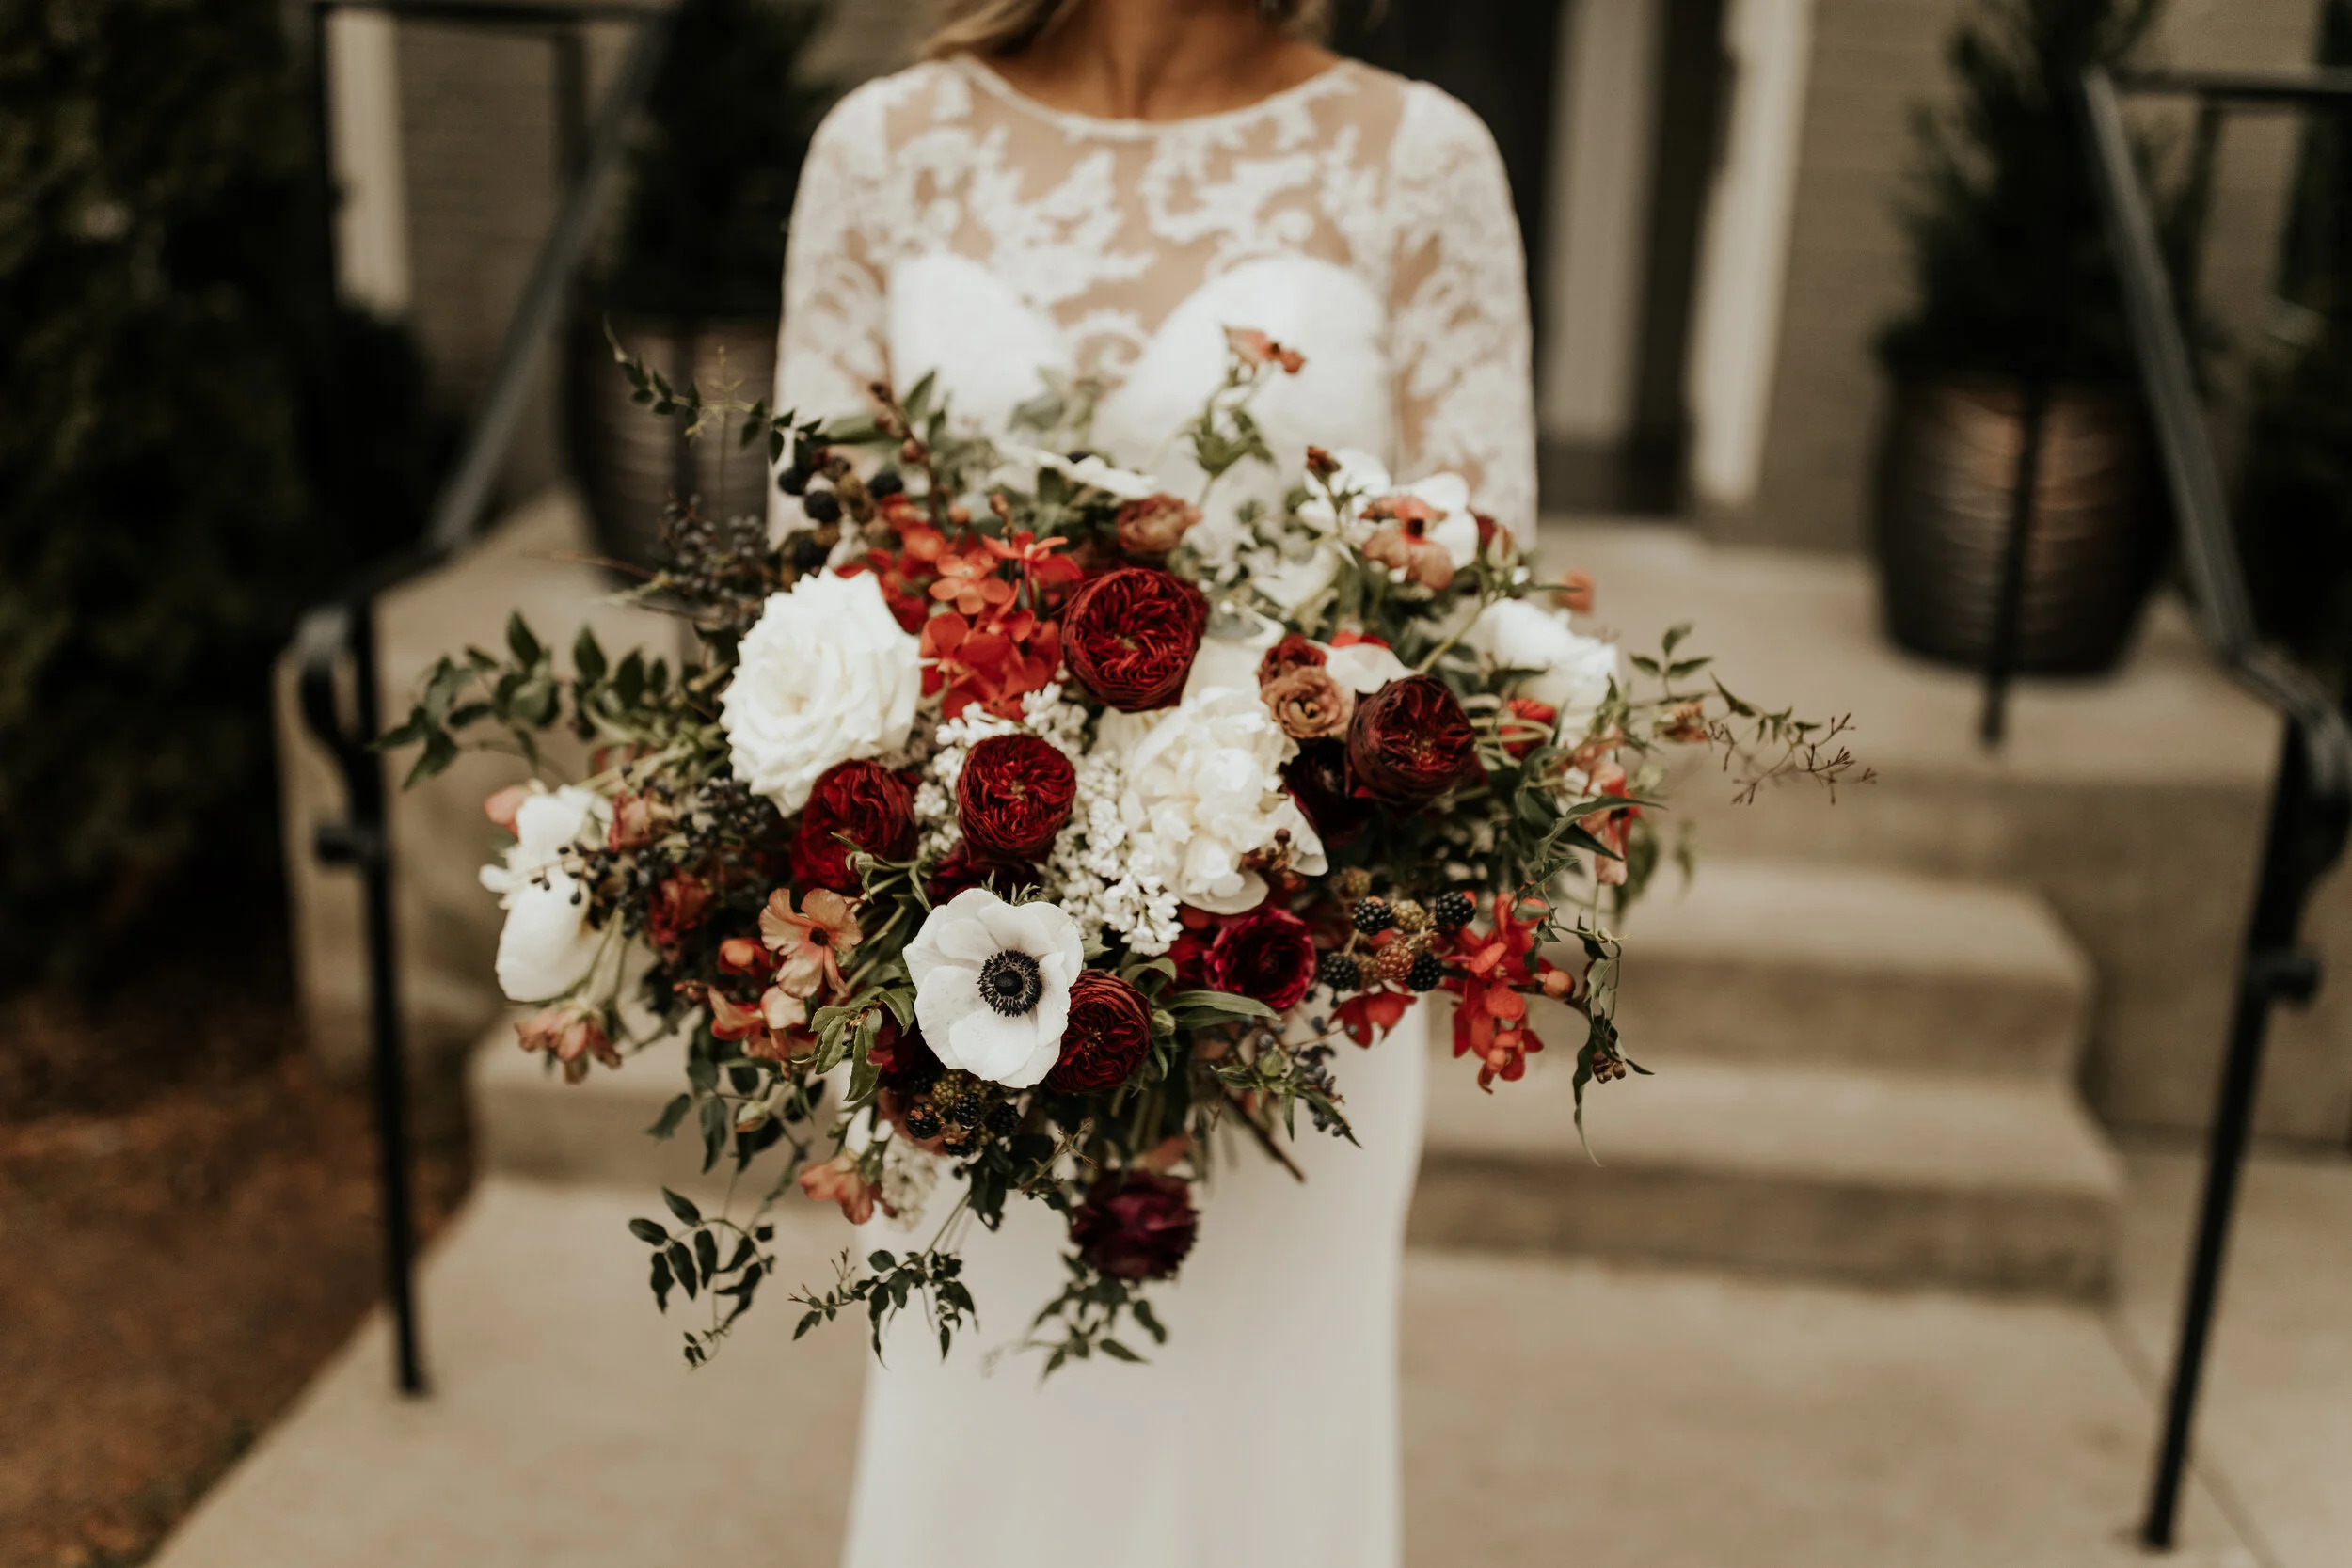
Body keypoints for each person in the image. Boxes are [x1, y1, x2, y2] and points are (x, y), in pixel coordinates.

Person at [771, 3, 1533, 1563]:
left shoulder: (1421, 158)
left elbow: (1490, 605)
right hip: (954, 967)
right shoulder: (883, 150)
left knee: (1264, 1449)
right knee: (972, 1438)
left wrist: (1292, 838)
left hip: (1289, 978)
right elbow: (816, 576)